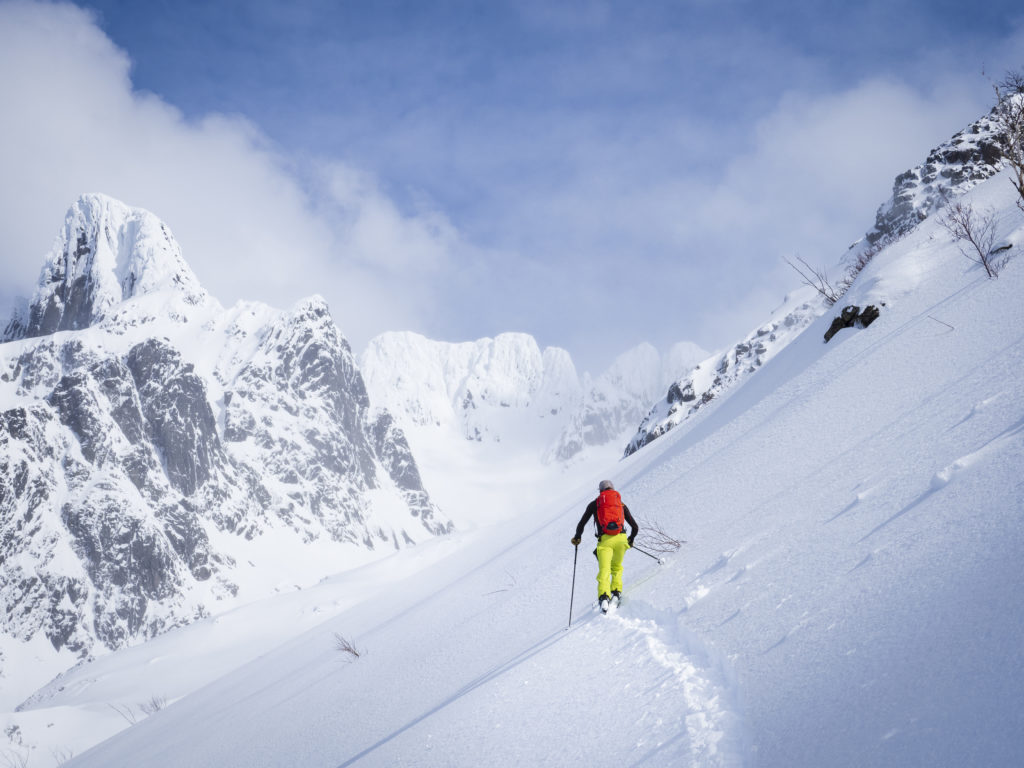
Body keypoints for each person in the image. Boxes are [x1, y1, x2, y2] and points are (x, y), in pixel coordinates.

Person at [571, 480, 638, 611]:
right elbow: (635, 527)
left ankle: (604, 598)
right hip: (621, 539)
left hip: (605, 541)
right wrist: (630, 539)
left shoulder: (595, 504)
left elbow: (581, 524)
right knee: (617, 568)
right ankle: (616, 593)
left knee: (604, 570)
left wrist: (577, 537)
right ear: (612, 489)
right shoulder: (620, 503)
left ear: (600, 491)